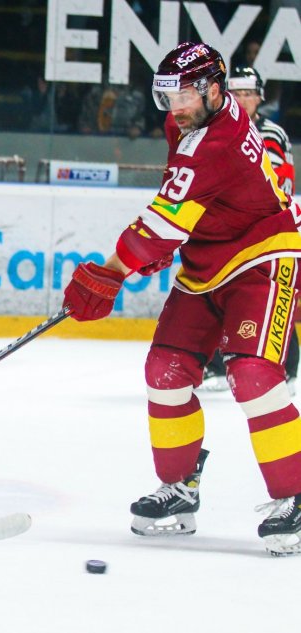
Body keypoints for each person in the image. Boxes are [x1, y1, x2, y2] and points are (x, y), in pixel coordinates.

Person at [62, 42, 301, 556]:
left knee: (254, 377)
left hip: (261, 257)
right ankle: (179, 487)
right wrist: (165, 243)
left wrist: (111, 272)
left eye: (186, 95)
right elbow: (185, 205)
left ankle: (296, 496)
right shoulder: (190, 121)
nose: (176, 108)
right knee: (164, 372)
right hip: (206, 260)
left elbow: (164, 219)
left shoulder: (219, 139)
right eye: (169, 97)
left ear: (215, 90)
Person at [200, 66, 299, 393]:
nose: (243, 99)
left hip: (268, 228)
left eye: (249, 94)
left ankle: (286, 367)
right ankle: (216, 366)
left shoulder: (271, 134)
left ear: (260, 97)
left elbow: (274, 181)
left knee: (273, 294)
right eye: (238, 93)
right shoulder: (217, 127)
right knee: (220, 292)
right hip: (230, 228)